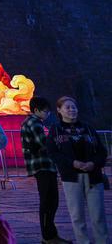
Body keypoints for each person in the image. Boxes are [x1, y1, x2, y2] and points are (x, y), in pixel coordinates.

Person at [46, 96, 109, 244]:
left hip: (93, 176)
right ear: (59, 110)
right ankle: (83, 241)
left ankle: (103, 241)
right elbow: (53, 153)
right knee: (77, 215)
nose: (71, 110)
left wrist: (94, 163)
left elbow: (101, 151)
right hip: (71, 178)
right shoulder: (56, 130)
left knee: (98, 215)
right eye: (67, 107)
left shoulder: (88, 128)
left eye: (73, 107)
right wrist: (72, 163)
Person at [20, 96, 70, 244]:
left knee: (50, 200)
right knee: (49, 201)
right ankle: (48, 236)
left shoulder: (32, 122)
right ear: (36, 110)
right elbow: (44, 143)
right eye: (46, 111)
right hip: (43, 165)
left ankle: (51, 234)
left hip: (42, 165)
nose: (47, 114)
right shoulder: (34, 123)